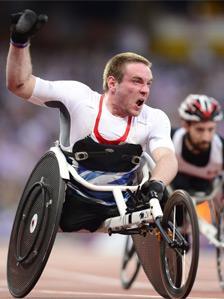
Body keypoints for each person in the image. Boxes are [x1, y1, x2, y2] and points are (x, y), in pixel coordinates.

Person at [6, 9, 178, 232]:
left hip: (123, 205)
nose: (145, 90)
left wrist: (156, 183)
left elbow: (167, 158)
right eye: (137, 81)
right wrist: (19, 42)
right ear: (112, 83)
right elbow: (19, 84)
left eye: (148, 83)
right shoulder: (78, 97)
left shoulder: (154, 117)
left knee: (167, 193)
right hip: (72, 203)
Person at [171, 94, 224, 205]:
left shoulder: (220, 148)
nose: (206, 137)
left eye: (211, 129)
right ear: (185, 125)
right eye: (200, 129)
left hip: (207, 203)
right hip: (171, 202)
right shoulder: (169, 139)